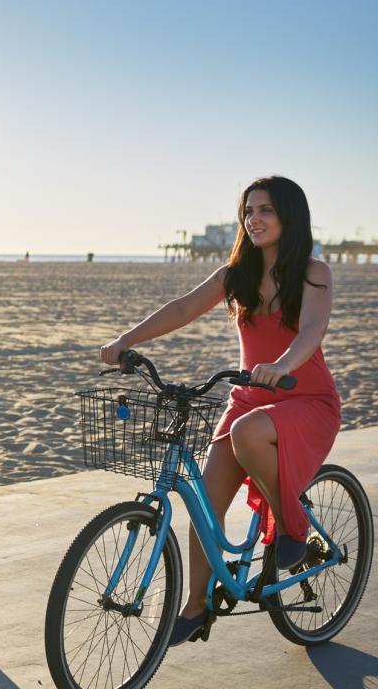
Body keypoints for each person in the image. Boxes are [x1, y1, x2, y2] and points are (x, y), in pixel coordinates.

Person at [99, 176, 339, 647]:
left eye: (266, 210)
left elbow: (311, 330)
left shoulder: (314, 272)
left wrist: (281, 365)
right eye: (248, 211)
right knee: (205, 508)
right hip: (251, 398)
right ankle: (196, 606)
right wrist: (128, 340)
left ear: (290, 215)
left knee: (249, 432)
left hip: (304, 398)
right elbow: (183, 307)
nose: (254, 219)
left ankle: (293, 524)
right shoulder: (237, 274)